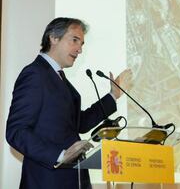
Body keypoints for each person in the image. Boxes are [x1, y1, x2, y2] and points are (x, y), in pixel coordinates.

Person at [6, 17, 131, 189]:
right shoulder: (35, 74)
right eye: (74, 40)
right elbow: (16, 131)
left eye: (82, 44)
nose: (79, 49)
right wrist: (60, 155)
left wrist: (113, 95)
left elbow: (80, 123)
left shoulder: (59, 77)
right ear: (53, 38)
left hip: (73, 179)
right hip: (47, 181)